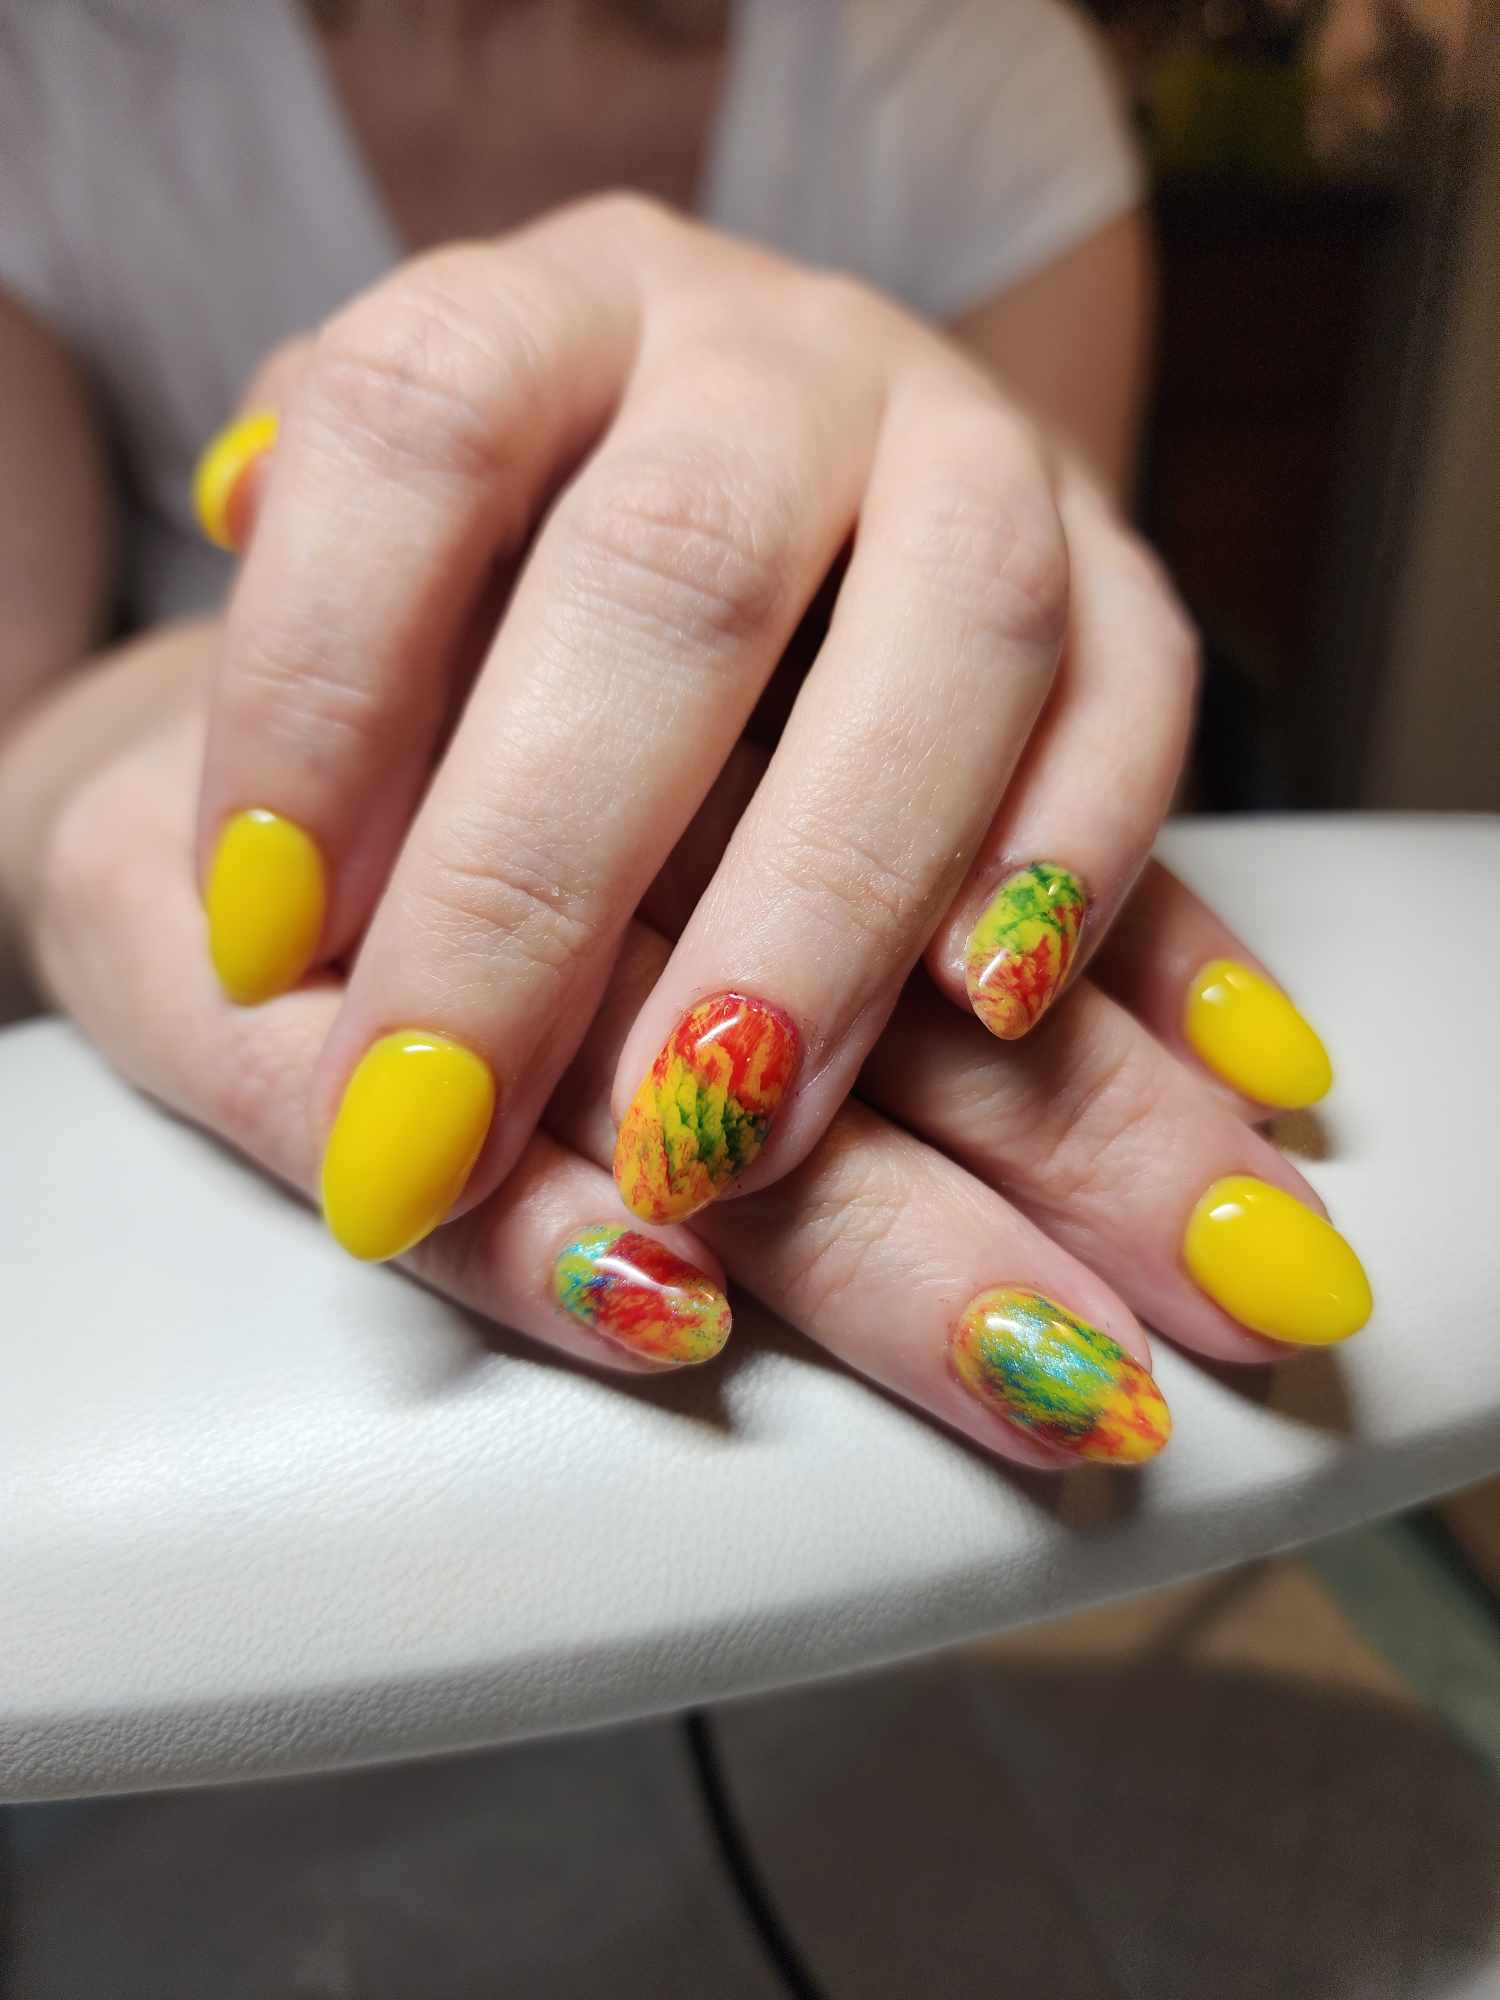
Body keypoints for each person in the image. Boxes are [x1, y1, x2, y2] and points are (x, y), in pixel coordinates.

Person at [0, 0, 1371, 1477]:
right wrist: (125, 758)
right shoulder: (46, 71)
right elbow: (23, 704)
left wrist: (996, 597)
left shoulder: (968, 64)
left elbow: (1025, 753)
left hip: (802, 950)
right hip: (206, 1150)